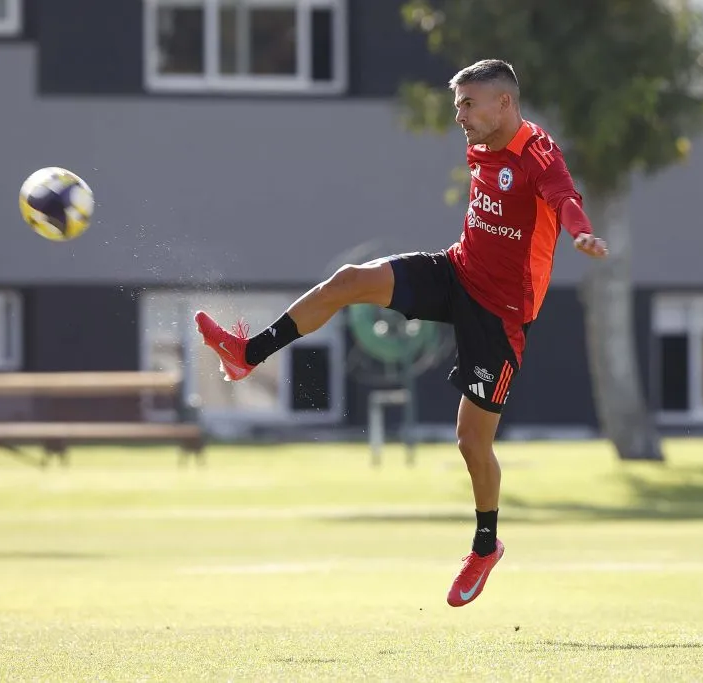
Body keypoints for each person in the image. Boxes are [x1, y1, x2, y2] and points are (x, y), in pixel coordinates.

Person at [194, 59, 608, 607]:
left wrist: (581, 234)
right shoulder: (481, 144)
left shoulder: (537, 154)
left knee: (471, 442)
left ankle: (486, 546)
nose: (459, 116)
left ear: (504, 103)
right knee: (348, 281)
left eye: (468, 104)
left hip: (501, 314)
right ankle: (248, 353)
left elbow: (565, 199)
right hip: (456, 271)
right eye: (457, 105)